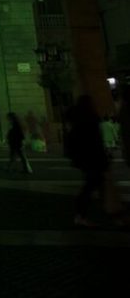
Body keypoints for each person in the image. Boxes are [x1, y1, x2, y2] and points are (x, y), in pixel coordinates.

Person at [64, 95, 109, 227]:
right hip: (93, 158)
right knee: (91, 186)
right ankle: (82, 214)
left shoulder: (77, 119)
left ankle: (109, 211)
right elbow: (96, 141)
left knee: (94, 184)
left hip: (84, 159)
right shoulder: (90, 119)